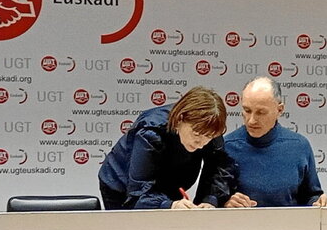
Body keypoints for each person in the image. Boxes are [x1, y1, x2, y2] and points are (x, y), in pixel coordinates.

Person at [98, 86, 233, 209]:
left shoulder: (211, 127)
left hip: (169, 185)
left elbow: (219, 166)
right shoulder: (151, 132)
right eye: (196, 134)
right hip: (121, 185)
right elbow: (138, 192)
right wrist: (170, 205)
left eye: (208, 137)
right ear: (180, 119)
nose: (201, 143)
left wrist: (210, 200)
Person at [224, 77, 327, 207]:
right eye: (247, 111)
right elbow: (208, 200)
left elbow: (310, 196)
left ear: (279, 110)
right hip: (240, 226)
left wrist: (320, 202)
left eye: (261, 112)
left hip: (290, 226)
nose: (251, 120)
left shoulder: (299, 146)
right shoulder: (226, 147)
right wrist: (225, 203)